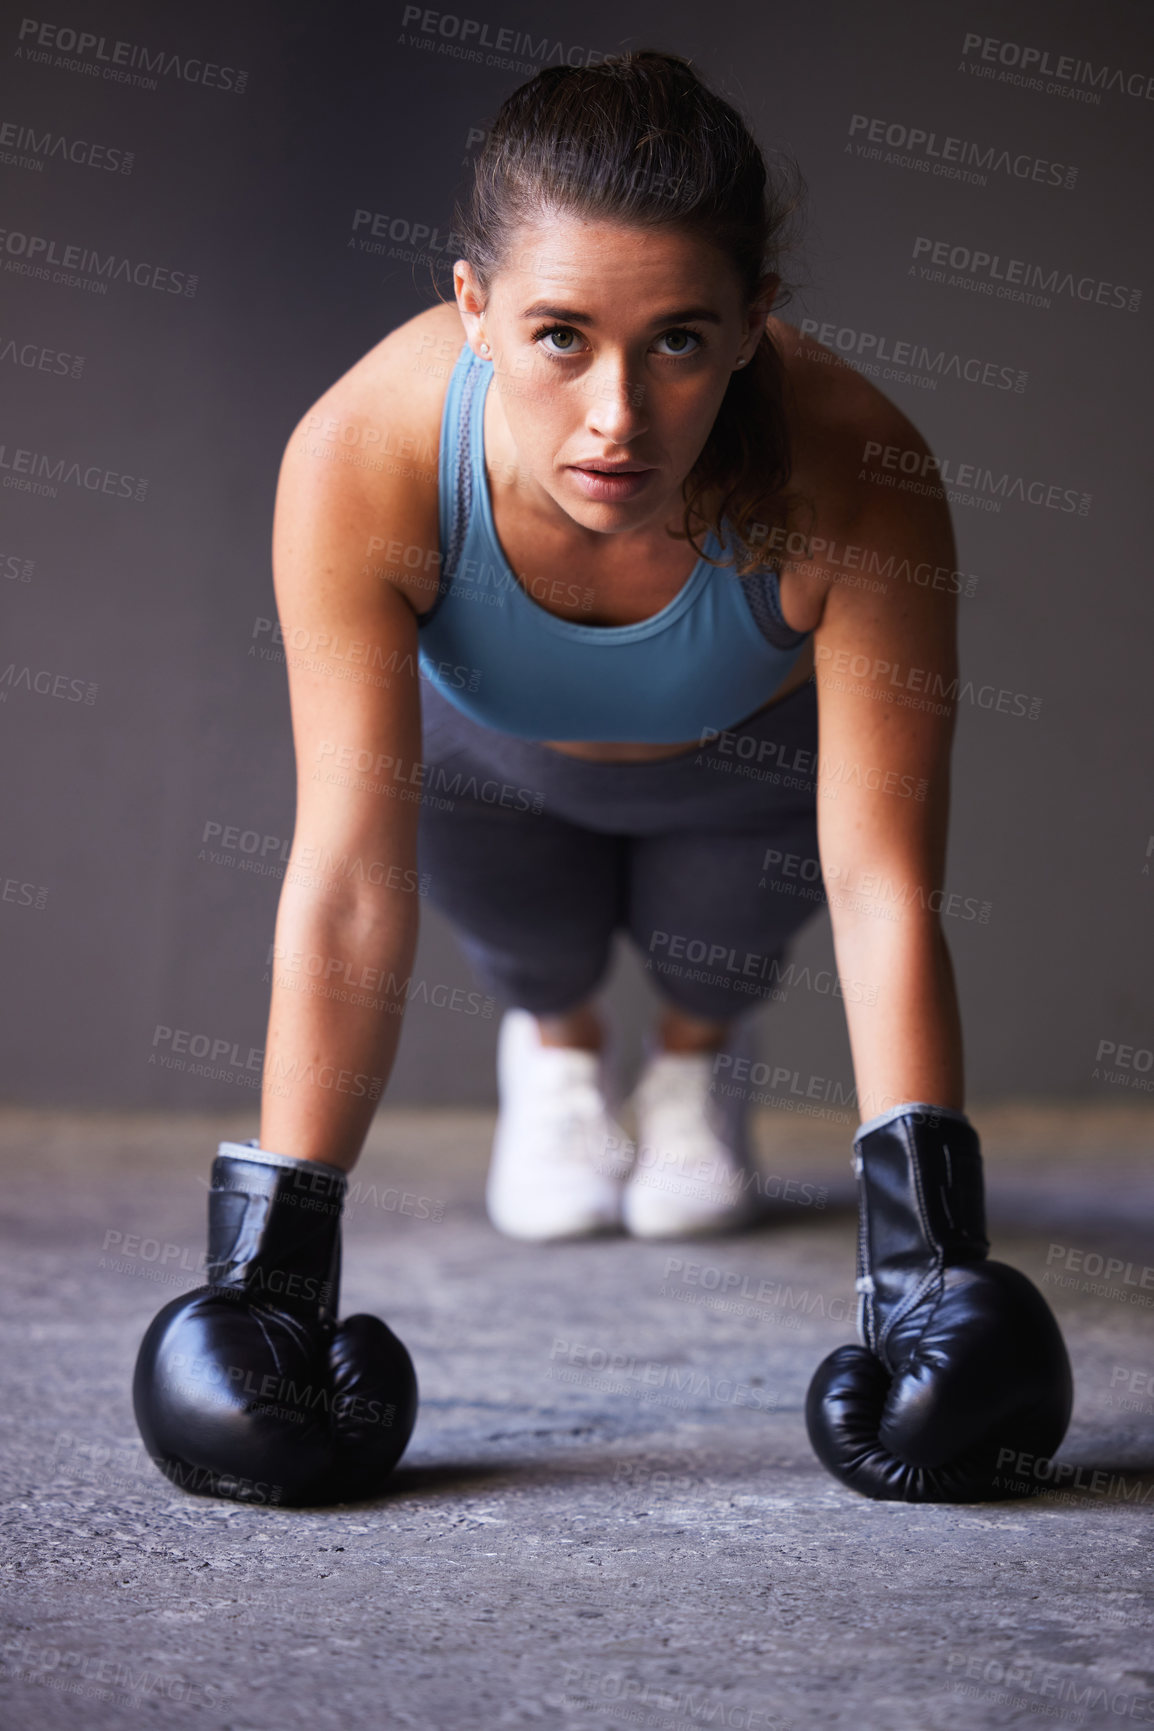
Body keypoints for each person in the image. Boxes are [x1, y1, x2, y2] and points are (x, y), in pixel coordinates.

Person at [133, 51, 1072, 1505]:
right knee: (532, 947)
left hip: (746, 778)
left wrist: (934, 1276)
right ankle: (560, 1053)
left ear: (755, 324)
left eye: (680, 340)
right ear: (472, 311)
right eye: (560, 336)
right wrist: (263, 1290)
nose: (617, 414)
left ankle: (696, 1067)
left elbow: (882, 880)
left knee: (719, 953)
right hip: (482, 777)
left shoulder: (857, 464)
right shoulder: (365, 452)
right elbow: (344, 877)